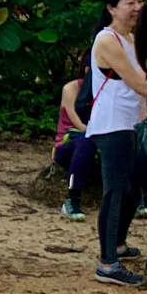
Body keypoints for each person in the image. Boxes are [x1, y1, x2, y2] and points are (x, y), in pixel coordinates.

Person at [85, 0, 147, 287]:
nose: (138, 7)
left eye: (140, 0)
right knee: (114, 190)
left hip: (130, 122)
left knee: (132, 188)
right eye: (130, 2)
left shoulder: (132, 39)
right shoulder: (107, 40)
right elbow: (138, 84)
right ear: (111, 8)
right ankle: (107, 263)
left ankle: (119, 245)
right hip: (112, 125)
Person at [53, 61, 94, 221]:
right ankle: (73, 199)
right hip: (69, 143)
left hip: (97, 143)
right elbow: (80, 125)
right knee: (86, 143)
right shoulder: (71, 89)